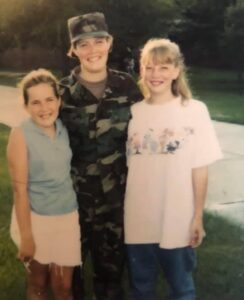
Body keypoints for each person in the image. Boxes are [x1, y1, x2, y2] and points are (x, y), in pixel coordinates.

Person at [124, 38, 223, 300]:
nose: (156, 74)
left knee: (181, 289)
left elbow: (200, 168)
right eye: (149, 67)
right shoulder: (132, 113)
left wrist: (197, 217)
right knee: (141, 287)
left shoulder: (195, 111)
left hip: (177, 218)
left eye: (164, 67)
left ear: (177, 71)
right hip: (138, 218)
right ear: (141, 70)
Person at [59, 12, 142, 300]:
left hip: (116, 200)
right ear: (73, 50)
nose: (91, 49)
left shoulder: (128, 88)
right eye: (83, 44)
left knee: (111, 279)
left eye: (98, 41)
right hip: (72, 200)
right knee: (71, 276)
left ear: (109, 43)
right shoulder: (60, 94)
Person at [7, 69, 81, 300]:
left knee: (63, 287)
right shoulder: (21, 134)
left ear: (59, 101)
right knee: (38, 284)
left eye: (49, 99)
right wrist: (27, 236)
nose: (44, 108)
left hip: (67, 216)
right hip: (35, 218)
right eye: (36, 102)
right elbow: (19, 190)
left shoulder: (63, 129)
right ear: (26, 106)